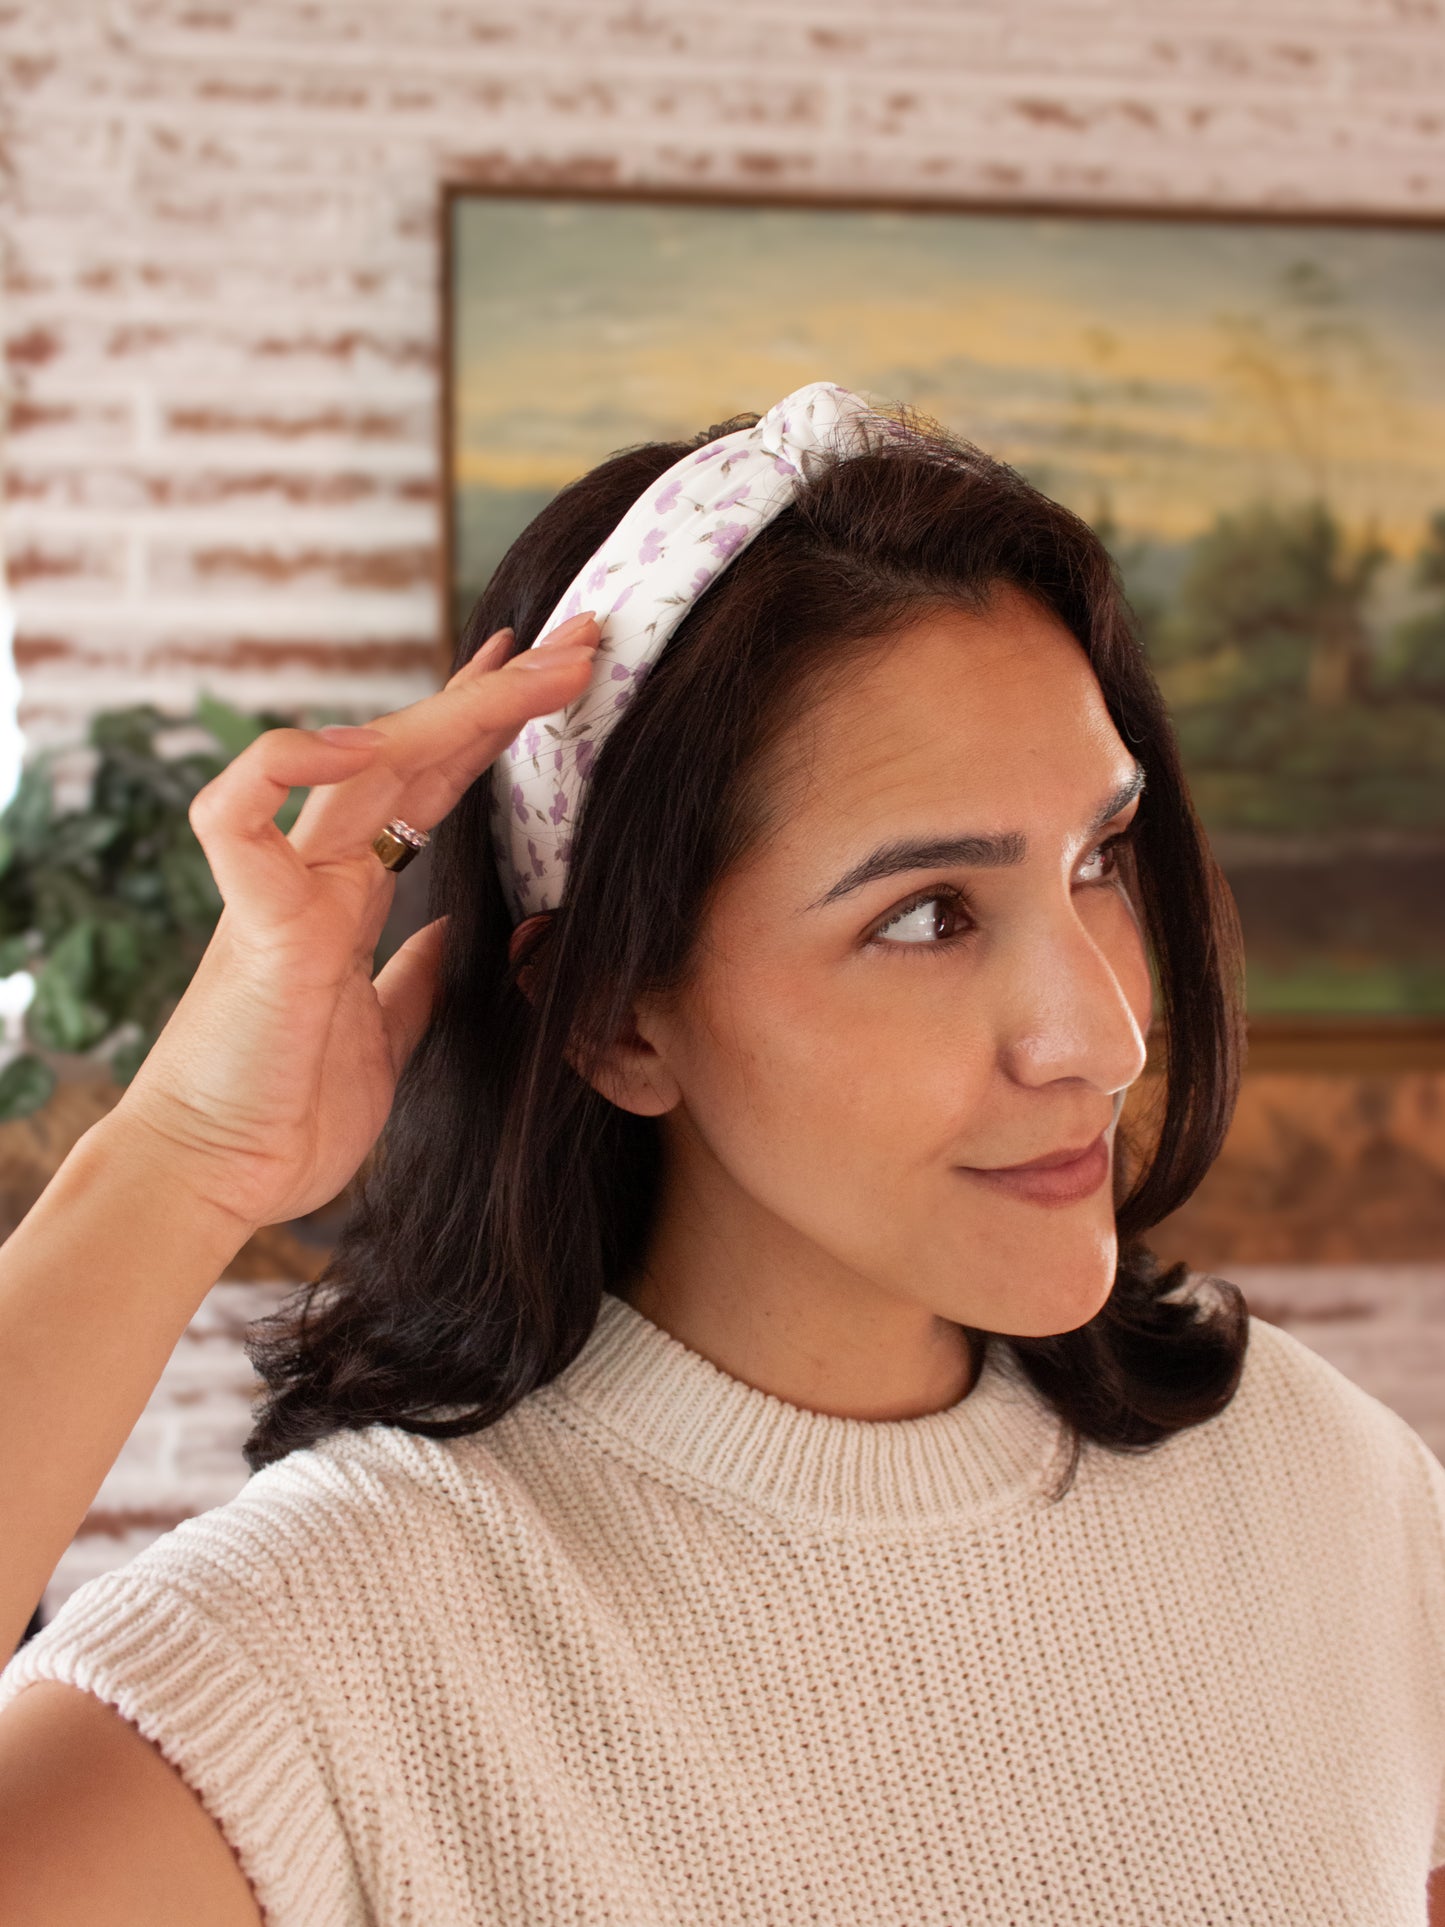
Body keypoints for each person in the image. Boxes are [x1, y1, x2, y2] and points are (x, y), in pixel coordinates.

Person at [0, 384, 1441, 1924]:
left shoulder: (1319, 1485)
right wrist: (178, 1159)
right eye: (926, 915)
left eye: (1097, 860)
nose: (1098, 1036)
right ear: (621, 1020)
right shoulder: (317, 1665)